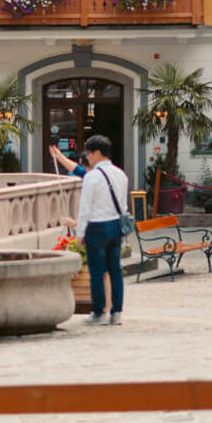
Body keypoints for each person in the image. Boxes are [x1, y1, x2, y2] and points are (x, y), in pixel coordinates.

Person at [75, 133, 127, 327]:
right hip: (115, 225)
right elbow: (123, 205)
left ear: (97, 153)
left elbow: (85, 208)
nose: (87, 156)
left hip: (96, 226)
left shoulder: (92, 177)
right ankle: (116, 312)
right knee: (115, 270)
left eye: (89, 152)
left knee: (97, 271)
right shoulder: (120, 174)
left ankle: (98, 312)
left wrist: (80, 233)